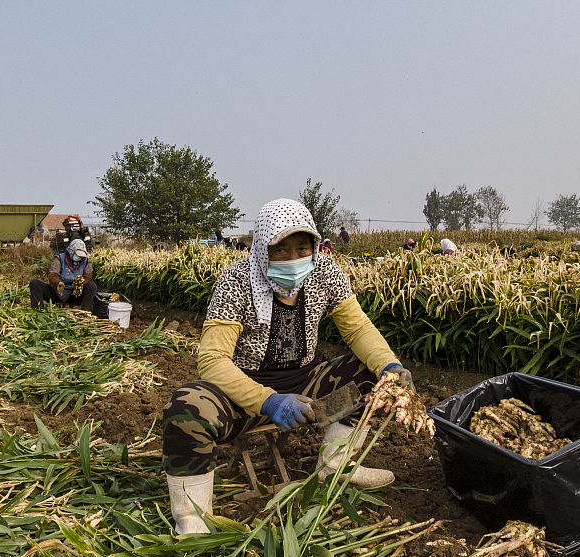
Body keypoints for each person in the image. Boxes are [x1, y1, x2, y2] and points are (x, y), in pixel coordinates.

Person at [162, 198, 414, 535]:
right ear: (263, 250)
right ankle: (192, 518)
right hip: (242, 392)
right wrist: (268, 400)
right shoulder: (236, 282)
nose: (293, 258)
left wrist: (390, 366)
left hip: (306, 386)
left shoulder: (325, 273)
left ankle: (335, 465)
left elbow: (358, 329)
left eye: (301, 247)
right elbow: (212, 360)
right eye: (280, 250)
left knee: (375, 379)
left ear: (314, 245)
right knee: (187, 408)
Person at [28, 238, 98, 311]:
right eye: (77, 255)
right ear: (71, 251)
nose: (79, 258)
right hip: (57, 294)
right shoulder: (59, 259)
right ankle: (37, 310)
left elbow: (88, 277)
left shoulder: (86, 262)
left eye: (81, 256)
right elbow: (53, 275)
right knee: (35, 283)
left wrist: (80, 284)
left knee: (92, 286)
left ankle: (85, 311)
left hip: (74, 295)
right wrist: (58, 283)